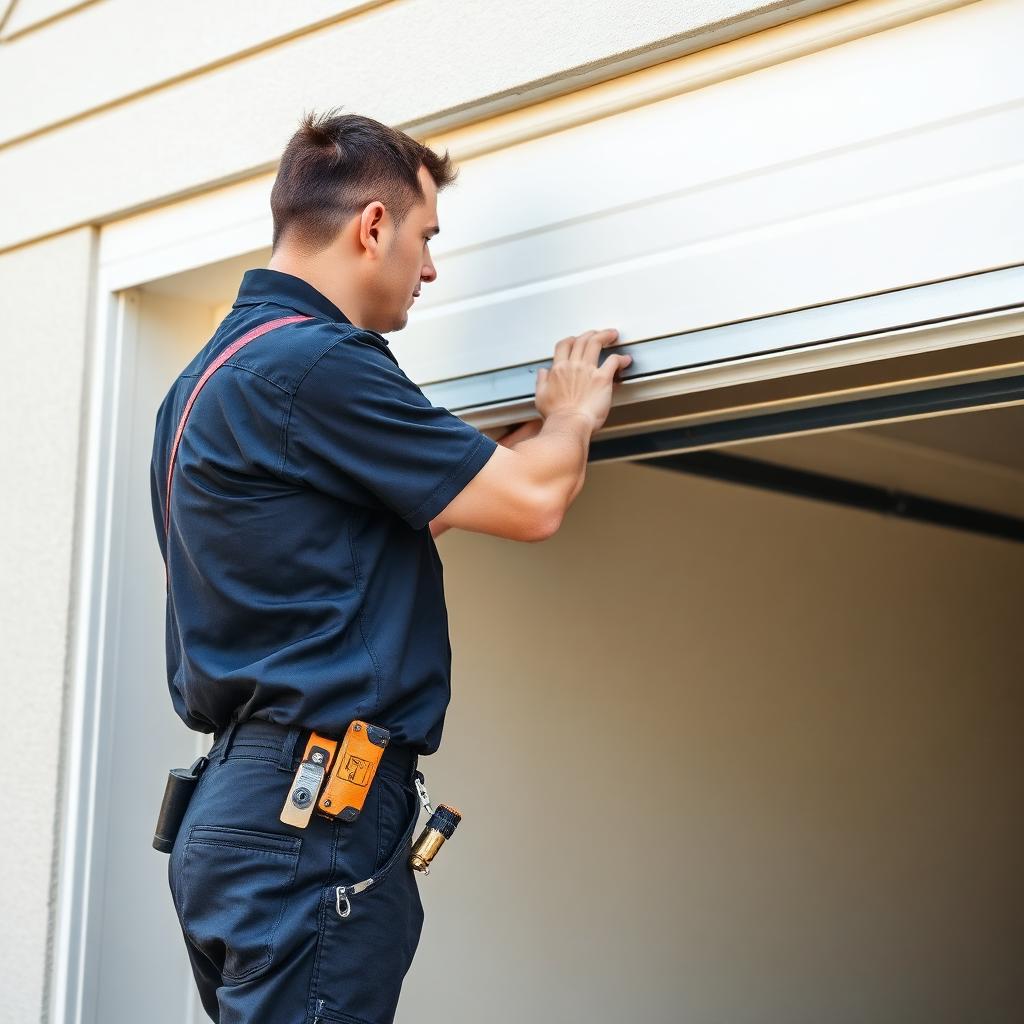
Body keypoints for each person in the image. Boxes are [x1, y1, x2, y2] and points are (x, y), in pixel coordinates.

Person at [149, 107, 632, 1024]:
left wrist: (507, 452)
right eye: (427, 235)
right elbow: (532, 505)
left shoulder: (204, 382)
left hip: (243, 814)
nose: (432, 266)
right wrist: (569, 416)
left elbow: (347, 549)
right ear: (375, 226)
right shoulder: (319, 363)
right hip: (312, 818)